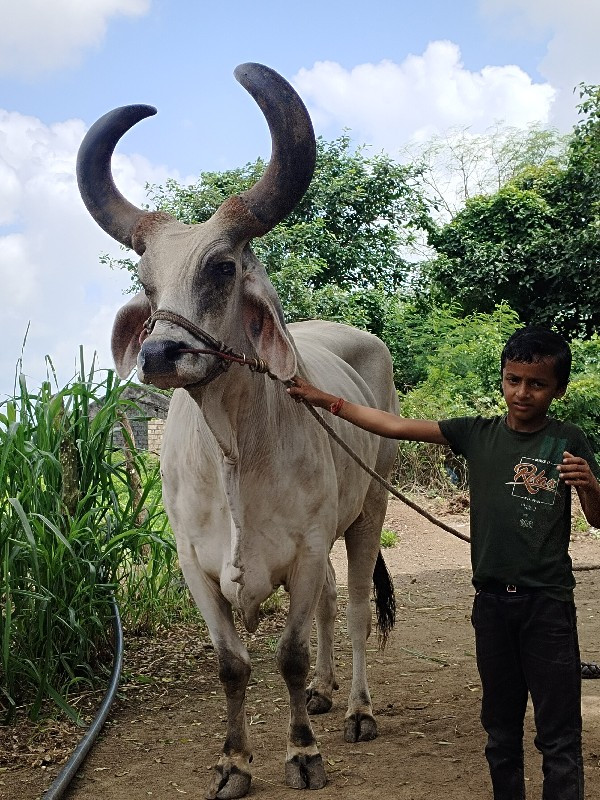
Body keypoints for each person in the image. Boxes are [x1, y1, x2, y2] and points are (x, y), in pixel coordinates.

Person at [288, 326, 600, 800]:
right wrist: (321, 397)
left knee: (559, 735)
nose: (522, 393)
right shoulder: (477, 434)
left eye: (536, 384)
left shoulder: (568, 440)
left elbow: (596, 520)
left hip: (549, 608)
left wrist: (591, 486)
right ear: (502, 379)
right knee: (500, 731)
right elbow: (392, 425)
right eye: (513, 380)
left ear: (558, 388)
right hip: (492, 607)